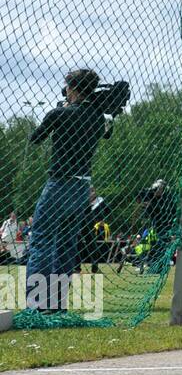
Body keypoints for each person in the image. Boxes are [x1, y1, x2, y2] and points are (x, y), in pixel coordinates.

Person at [24, 69, 110, 312]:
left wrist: (59, 110)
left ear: (71, 88)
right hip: (82, 187)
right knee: (65, 245)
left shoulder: (59, 113)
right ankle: (57, 304)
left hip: (59, 183)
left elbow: (35, 138)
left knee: (41, 240)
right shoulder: (97, 117)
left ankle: (37, 305)